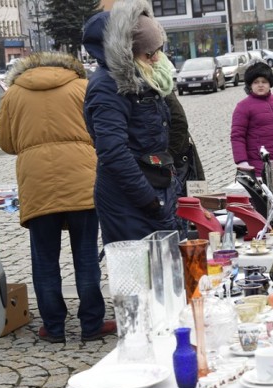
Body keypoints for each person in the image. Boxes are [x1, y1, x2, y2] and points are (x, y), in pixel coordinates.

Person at [0, 52, 115, 343]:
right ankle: (91, 324)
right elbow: (99, 129)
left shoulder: (13, 94)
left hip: (36, 183)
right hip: (81, 178)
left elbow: (7, 143)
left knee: (44, 259)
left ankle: (53, 327)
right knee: (86, 255)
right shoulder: (81, 87)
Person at [82, 0, 179, 244]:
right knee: (140, 276)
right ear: (128, 51)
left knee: (163, 271)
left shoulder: (143, 79)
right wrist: (148, 199)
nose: (156, 59)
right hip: (129, 200)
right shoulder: (107, 86)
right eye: (149, 53)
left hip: (154, 189)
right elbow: (113, 151)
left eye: (158, 50)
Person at [230, 62, 273, 177]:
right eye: (256, 82)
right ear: (250, 85)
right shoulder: (243, 106)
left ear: (270, 83)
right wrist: (242, 162)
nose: (260, 85)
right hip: (257, 164)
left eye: (264, 82)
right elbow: (237, 136)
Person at [165, 91, 205, 197]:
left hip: (180, 159)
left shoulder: (161, 87)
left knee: (188, 203)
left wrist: (167, 156)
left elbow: (179, 122)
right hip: (173, 158)